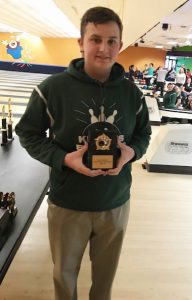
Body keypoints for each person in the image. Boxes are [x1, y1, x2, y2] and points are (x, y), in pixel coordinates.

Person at [15, 6, 151, 300]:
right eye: (96, 39)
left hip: (115, 203)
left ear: (120, 44)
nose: (104, 48)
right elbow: (27, 132)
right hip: (68, 204)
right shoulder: (52, 89)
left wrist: (132, 153)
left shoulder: (133, 94)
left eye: (112, 41)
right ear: (81, 43)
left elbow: (143, 135)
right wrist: (63, 159)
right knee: (64, 277)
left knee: (104, 281)